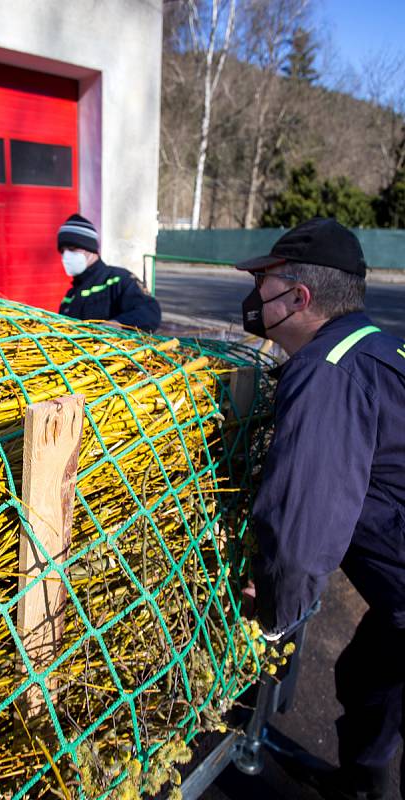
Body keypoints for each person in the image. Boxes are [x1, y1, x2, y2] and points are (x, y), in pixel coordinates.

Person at [235, 217, 405, 800]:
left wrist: (278, 610)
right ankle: (363, 786)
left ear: (299, 297)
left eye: (264, 282)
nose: (256, 296)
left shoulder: (328, 372)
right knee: (368, 676)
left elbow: (304, 530)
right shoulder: (378, 347)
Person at [57, 214, 161, 332]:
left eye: (72, 249)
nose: (66, 256)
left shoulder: (118, 279)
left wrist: (118, 324)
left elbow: (150, 311)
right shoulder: (70, 296)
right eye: (62, 251)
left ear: (90, 248)